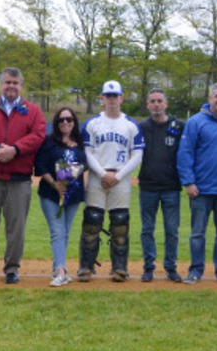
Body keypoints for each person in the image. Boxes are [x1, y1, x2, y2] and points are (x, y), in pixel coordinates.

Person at [0, 67, 47, 284]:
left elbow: (38, 135)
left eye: (15, 82)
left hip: (19, 179)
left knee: (16, 228)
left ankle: (12, 269)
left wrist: (15, 149)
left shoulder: (33, 110)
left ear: (21, 86)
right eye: (7, 82)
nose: (11, 86)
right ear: (1, 85)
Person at [78, 81, 144, 282]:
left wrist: (118, 176)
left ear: (121, 98)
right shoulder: (93, 123)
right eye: (108, 95)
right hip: (98, 177)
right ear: (102, 98)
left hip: (120, 178)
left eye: (115, 96)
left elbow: (137, 155)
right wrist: (103, 174)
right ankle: (86, 267)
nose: (112, 99)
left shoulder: (131, 125)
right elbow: (87, 153)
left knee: (120, 223)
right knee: (92, 221)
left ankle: (119, 268)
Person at [178, 83, 217, 285]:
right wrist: (188, 182)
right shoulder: (196, 122)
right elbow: (185, 153)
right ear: (210, 97)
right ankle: (196, 270)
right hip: (201, 189)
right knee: (198, 233)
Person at [35, 107, 88, 287]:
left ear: (74, 121)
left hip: (73, 193)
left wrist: (72, 172)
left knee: (65, 232)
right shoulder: (49, 142)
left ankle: (58, 267)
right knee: (57, 232)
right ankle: (61, 271)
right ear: (57, 123)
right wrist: (55, 183)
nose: (65, 122)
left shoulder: (80, 142)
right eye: (61, 120)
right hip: (51, 193)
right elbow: (40, 165)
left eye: (69, 119)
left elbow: (86, 164)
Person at [137, 88, 185, 283]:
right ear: (148, 105)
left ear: (166, 104)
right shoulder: (141, 127)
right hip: (147, 187)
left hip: (171, 187)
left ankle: (171, 267)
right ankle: (149, 267)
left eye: (159, 101)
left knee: (171, 230)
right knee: (147, 229)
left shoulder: (179, 126)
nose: (156, 104)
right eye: (152, 101)